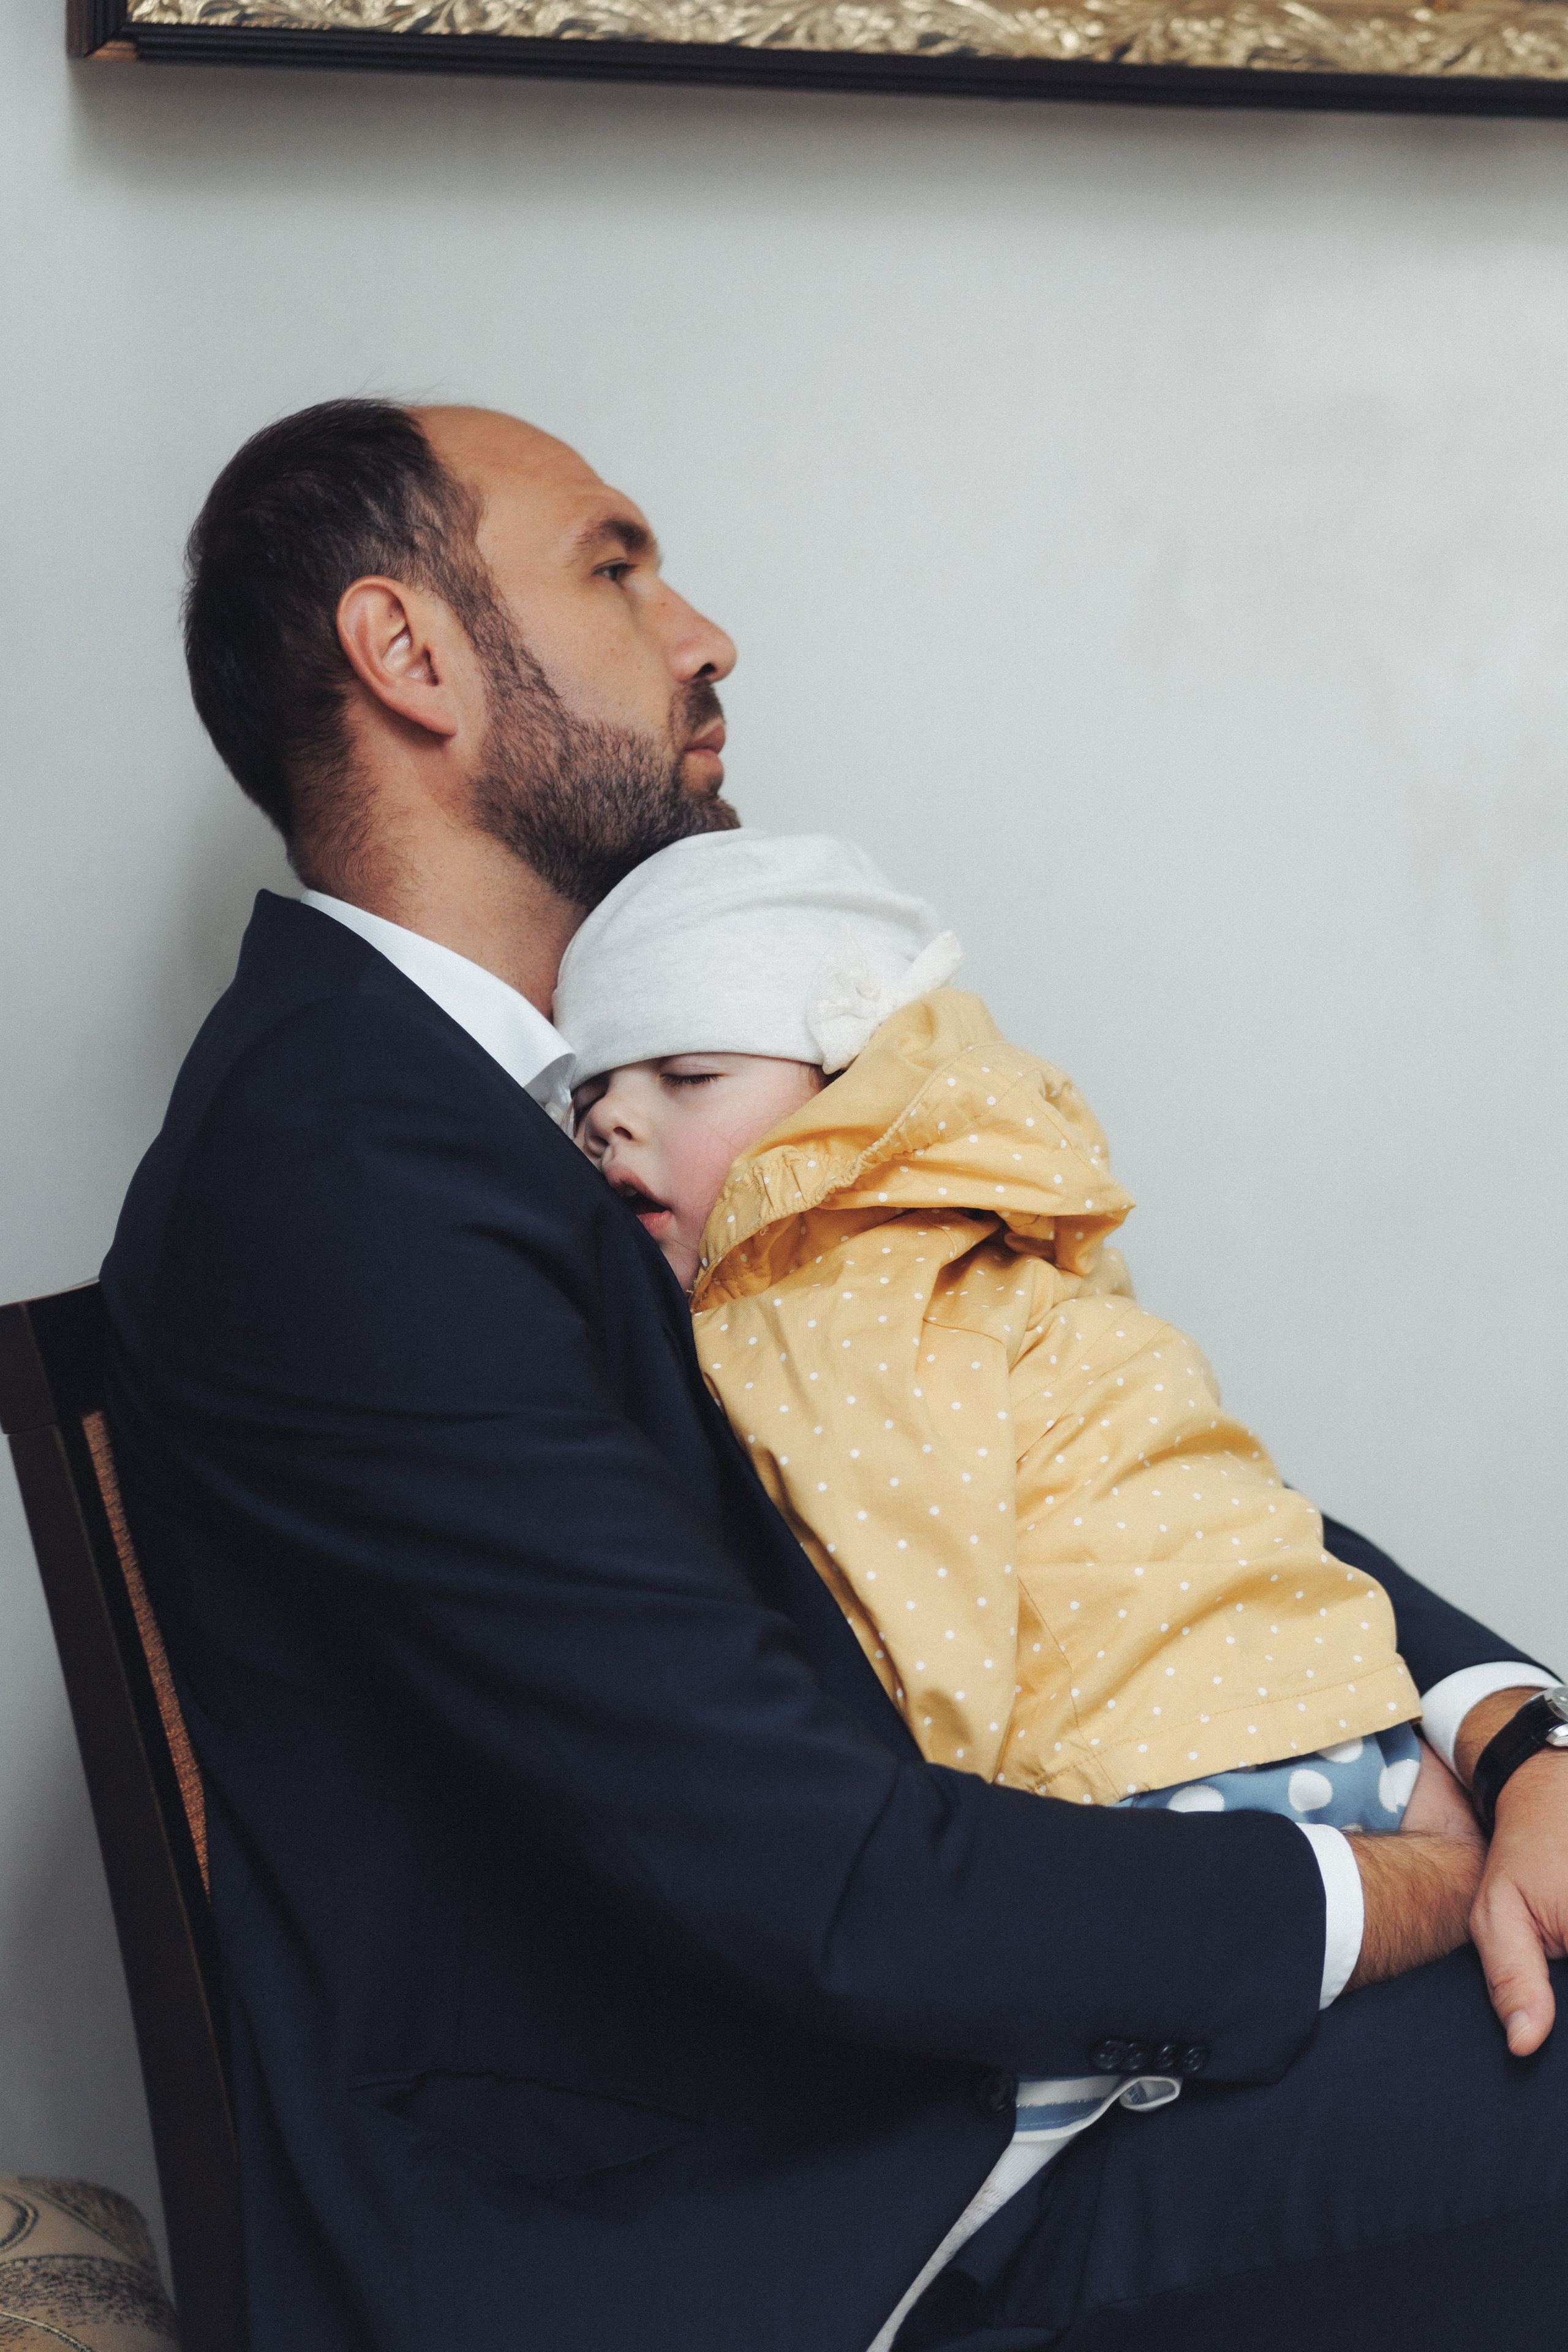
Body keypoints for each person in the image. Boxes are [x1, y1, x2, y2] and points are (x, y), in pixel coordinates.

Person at [100, 396, 1568, 2352]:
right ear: (410, 656)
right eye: (617, 563)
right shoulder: (338, 1173)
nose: (703, 631)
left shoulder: (607, 1108)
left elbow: (1087, 1458)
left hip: (959, 2065)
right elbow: (822, 1888)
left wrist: (1511, 1739)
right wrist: (1393, 1886)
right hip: (759, 2212)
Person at [559, 827, 1427, 1813]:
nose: (612, 1123)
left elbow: (910, 1604)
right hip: (1325, 1719)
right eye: (587, 1099)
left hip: (1159, 1775)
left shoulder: (840, 1316)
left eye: (687, 1076)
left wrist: (940, 1842)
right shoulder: (996, 1243)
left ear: (846, 1086)